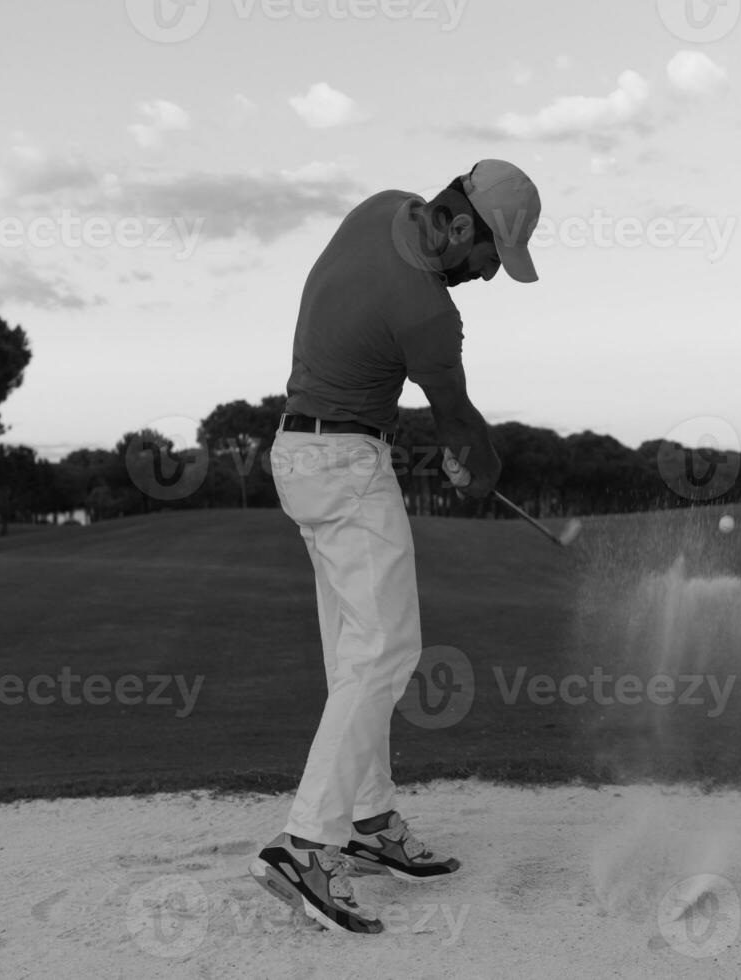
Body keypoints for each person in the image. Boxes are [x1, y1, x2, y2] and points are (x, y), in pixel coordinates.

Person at [249, 160, 542, 934]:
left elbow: (366, 339)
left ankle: (370, 817)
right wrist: (477, 468)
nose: (483, 277)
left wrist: (451, 441)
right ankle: (308, 842)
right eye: (487, 258)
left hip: (297, 452)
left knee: (355, 650)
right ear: (456, 227)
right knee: (386, 651)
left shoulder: (378, 206)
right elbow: (457, 420)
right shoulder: (428, 310)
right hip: (345, 470)